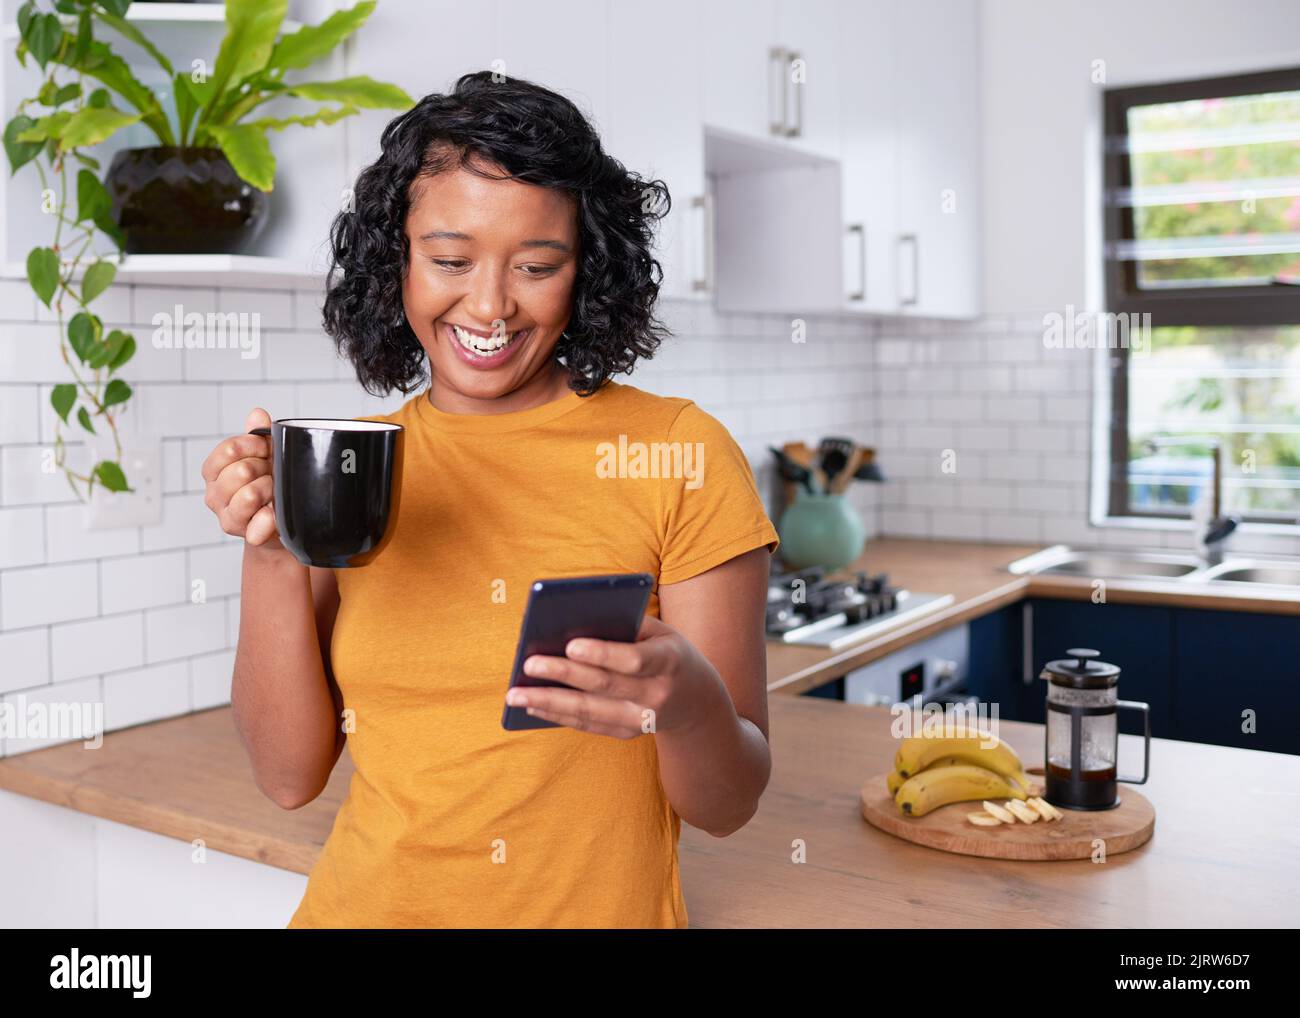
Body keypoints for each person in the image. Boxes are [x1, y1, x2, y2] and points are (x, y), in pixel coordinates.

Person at [200, 71, 779, 928]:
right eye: (449, 260)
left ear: (586, 274)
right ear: (395, 259)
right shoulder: (354, 463)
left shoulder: (679, 454)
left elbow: (726, 805)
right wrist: (272, 548)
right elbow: (288, 779)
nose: (489, 304)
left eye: (537, 266)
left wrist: (687, 700)